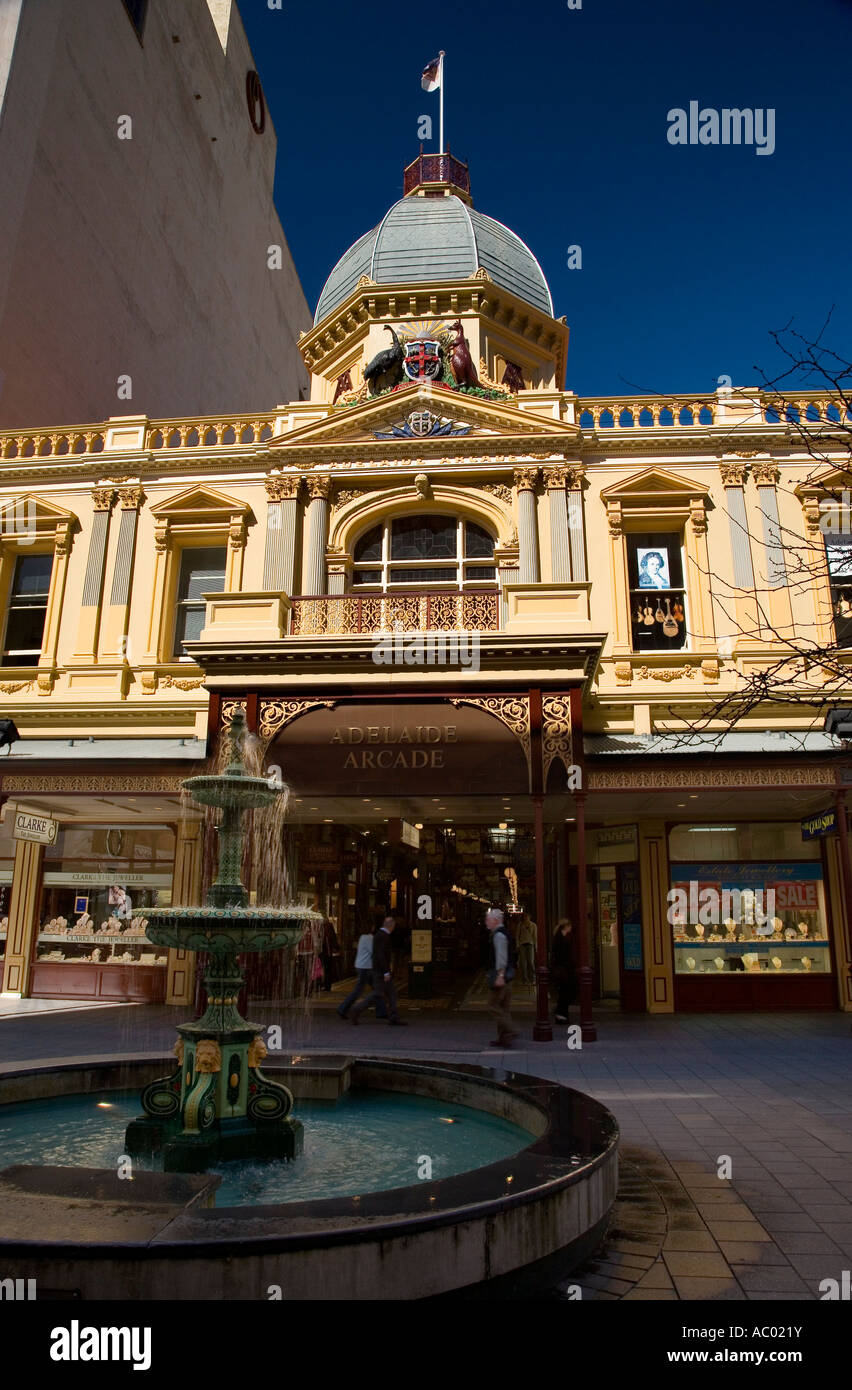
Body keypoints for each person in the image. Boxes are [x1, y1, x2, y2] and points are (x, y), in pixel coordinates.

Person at [351, 916, 407, 1026]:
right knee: (377, 994)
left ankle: (393, 1016)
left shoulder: (378, 935)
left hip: (378, 970)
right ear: (392, 926)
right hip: (380, 972)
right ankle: (357, 1009)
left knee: (392, 993)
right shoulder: (384, 937)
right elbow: (381, 955)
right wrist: (386, 971)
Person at [337, 922, 388, 1020]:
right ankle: (343, 1008)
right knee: (360, 990)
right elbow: (376, 953)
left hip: (361, 966)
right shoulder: (371, 940)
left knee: (376, 989)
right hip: (366, 968)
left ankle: (381, 1011)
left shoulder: (363, 937)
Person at [485, 907, 519, 1048]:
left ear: (496, 920)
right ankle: (504, 1038)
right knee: (504, 1008)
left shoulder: (498, 935)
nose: (486, 922)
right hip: (508, 976)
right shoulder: (503, 933)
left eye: (488, 919)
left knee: (492, 1005)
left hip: (502, 976)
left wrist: (500, 975)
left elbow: (501, 957)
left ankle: (512, 1030)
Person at [551, 918, 577, 1023]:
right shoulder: (560, 938)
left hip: (565, 968)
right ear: (566, 926)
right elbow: (561, 954)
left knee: (565, 992)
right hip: (563, 969)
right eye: (570, 926)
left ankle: (561, 1013)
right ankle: (561, 1013)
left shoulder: (563, 937)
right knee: (566, 991)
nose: (571, 928)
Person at [516, 911, 537, 985]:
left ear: (529, 917)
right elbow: (517, 935)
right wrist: (517, 945)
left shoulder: (533, 925)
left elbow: (535, 936)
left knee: (531, 962)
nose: (526, 918)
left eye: (527, 916)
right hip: (522, 944)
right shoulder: (520, 925)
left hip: (530, 944)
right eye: (524, 916)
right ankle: (524, 979)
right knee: (523, 963)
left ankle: (533, 978)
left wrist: (536, 946)